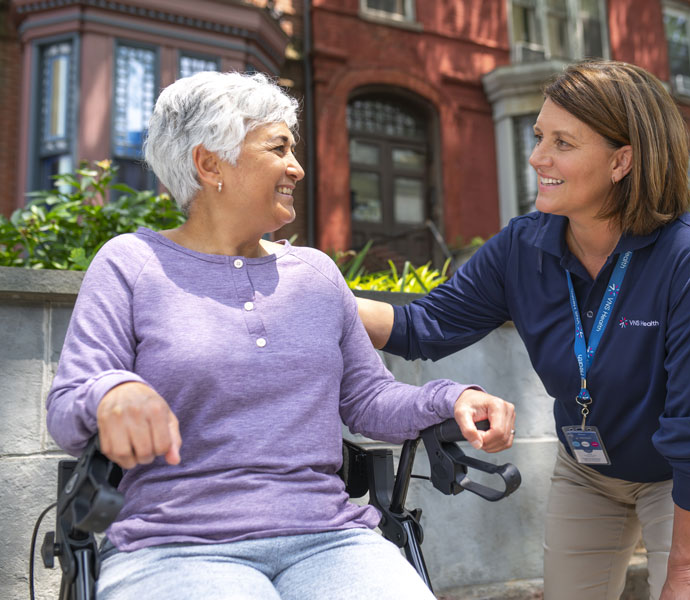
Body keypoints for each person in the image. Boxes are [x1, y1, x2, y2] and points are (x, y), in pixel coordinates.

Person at [45, 70, 515, 600]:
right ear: (208, 163)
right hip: (176, 545)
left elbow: (368, 398)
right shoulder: (132, 264)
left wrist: (452, 398)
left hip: (329, 540)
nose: (297, 166)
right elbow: (66, 408)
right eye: (279, 148)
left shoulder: (315, 274)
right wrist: (112, 393)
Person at [356, 60, 690, 600]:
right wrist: (316, 296)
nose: (538, 157)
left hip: (685, 473)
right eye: (540, 137)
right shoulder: (523, 245)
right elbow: (427, 324)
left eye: (563, 142)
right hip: (589, 474)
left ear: (621, 160)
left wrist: (684, 573)